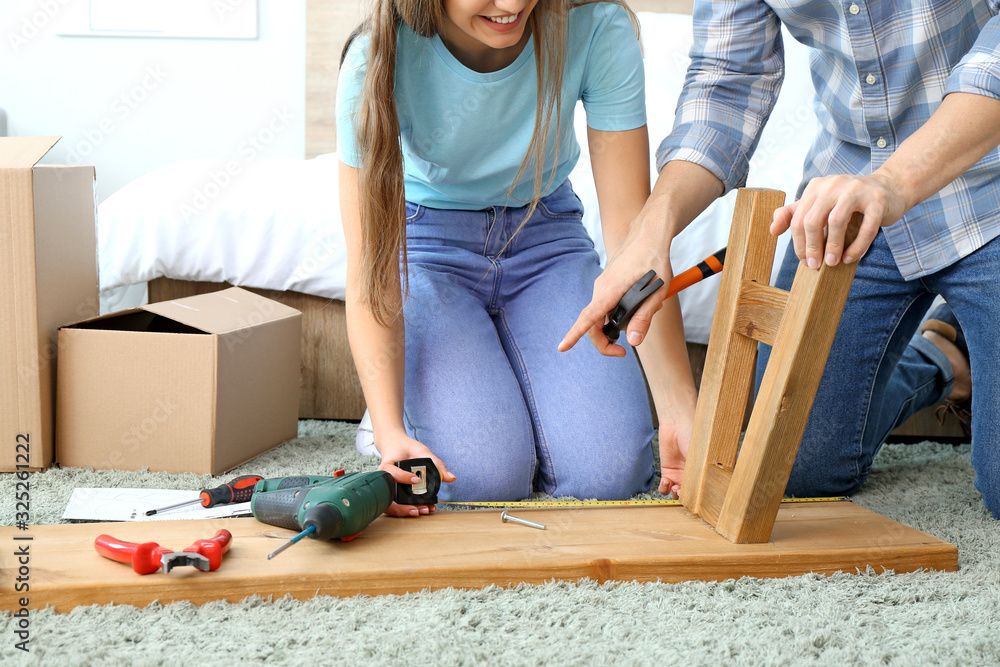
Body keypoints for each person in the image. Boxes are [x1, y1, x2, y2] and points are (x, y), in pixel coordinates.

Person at [560, 0, 1000, 517]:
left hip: (985, 186)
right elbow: (727, 83)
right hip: (846, 203)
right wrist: (651, 229)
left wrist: (891, 182)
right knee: (794, 470)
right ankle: (948, 356)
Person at [336, 0, 698, 516]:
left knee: (613, 474)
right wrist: (391, 429)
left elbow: (632, 238)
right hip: (428, 246)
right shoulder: (376, 56)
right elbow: (371, 268)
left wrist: (679, 405)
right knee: (482, 479)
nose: (511, 5)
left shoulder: (595, 26)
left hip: (545, 236)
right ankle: (394, 411)